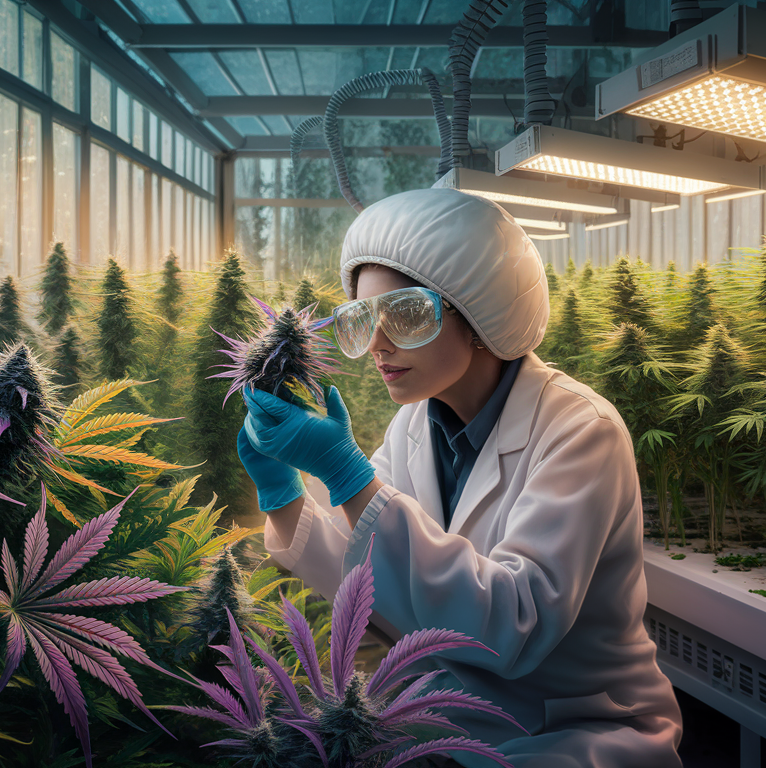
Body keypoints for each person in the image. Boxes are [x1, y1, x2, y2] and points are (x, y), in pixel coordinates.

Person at [237, 186, 684, 768]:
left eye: (404, 315)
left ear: (479, 315)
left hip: (575, 728)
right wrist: (283, 496)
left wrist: (346, 473)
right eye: (361, 320)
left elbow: (512, 625)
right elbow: (370, 582)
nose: (376, 344)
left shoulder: (581, 431)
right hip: (453, 724)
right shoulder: (414, 424)